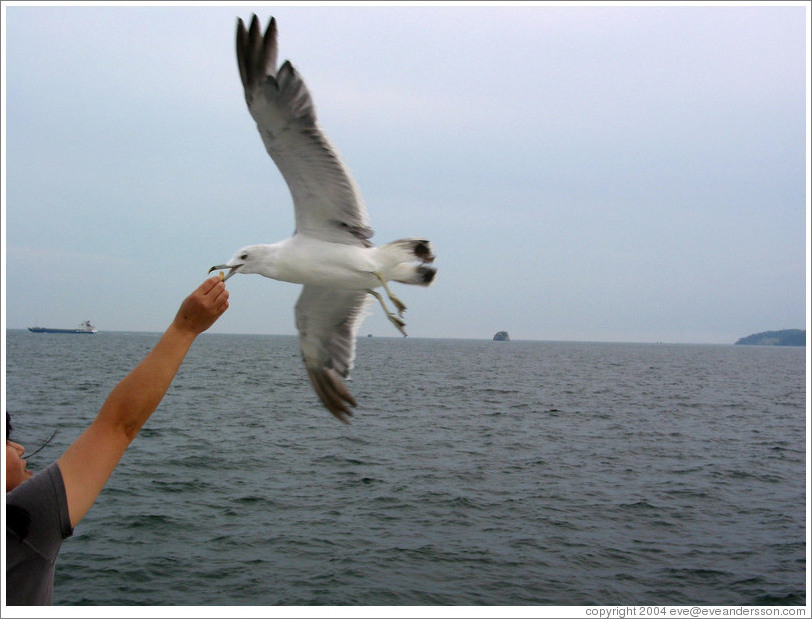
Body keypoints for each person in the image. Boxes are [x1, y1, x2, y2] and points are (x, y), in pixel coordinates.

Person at [5, 276, 229, 605]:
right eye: (6, 438)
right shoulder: (21, 522)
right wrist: (185, 327)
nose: (19, 447)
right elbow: (118, 425)